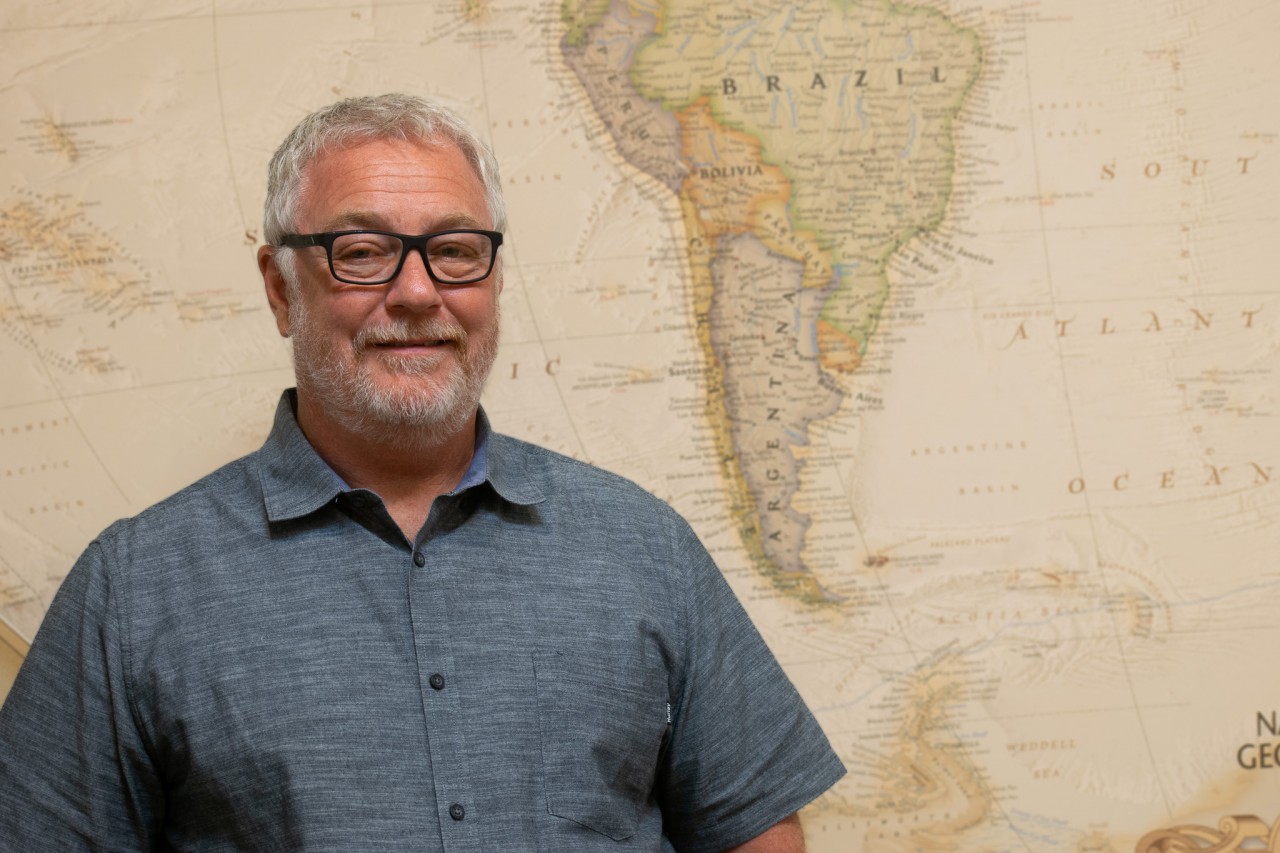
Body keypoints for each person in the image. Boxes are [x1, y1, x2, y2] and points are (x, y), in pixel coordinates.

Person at [0, 93, 845, 851]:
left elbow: (755, 833)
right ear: (281, 288)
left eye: (455, 249)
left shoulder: (643, 547)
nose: (416, 292)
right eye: (363, 251)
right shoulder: (134, 588)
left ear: (495, 278)